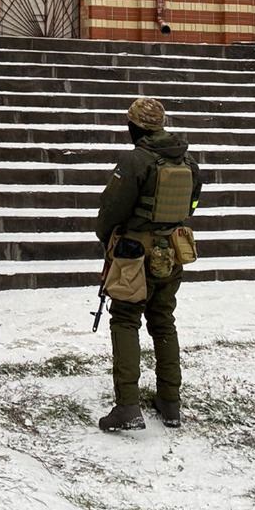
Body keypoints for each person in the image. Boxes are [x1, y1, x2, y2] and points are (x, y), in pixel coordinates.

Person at [95, 95, 202, 433]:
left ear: (134, 126)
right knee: (163, 320)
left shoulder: (134, 162)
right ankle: (170, 403)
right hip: (172, 252)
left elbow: (111, 211)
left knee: (126, 319)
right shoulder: (188, 161)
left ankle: (127, 407)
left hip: (133, 255)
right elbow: (193, 204)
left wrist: (107, 237)